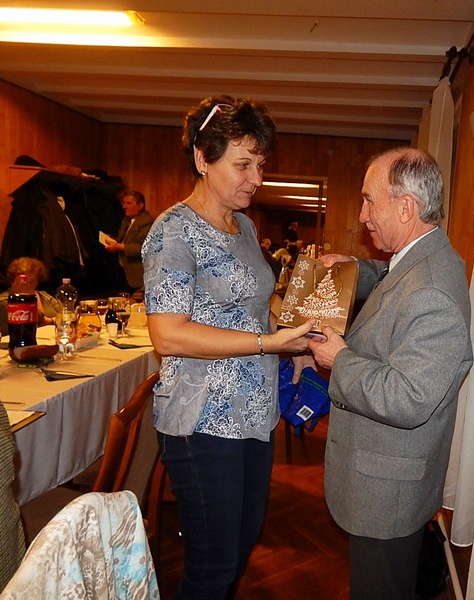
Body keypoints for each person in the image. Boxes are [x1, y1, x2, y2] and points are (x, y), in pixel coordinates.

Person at [141, 95, 314, 600]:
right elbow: (167, 334)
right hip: (202, 420)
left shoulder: (245, 226)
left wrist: (294, 340)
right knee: (213, 565)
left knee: (241, 545)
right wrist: (266, 342)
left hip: (255, 413)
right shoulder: (173, 232)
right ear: (203, 158)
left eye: (260, 164)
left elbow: (257, 304)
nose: (256, 178)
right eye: (243, 164)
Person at [307, 147, 474, 600]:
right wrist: (352, 269)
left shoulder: (433, 292)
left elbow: (409, 397)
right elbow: (391, 277)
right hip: (386, 482)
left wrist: (340, 359)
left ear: (405, 207)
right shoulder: (422, 258)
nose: (362, 215)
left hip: (387, 495)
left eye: (369, 200)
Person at [0, 257, 62, 332]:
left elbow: (65, 315)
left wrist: (48, 320)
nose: (28, 285)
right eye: (24, 281)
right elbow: (35, 316)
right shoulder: (3, 301)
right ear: (13, 281)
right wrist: (52, 320)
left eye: (33, 281)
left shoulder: (44, 296)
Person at [104, 190, 154, 292]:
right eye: (124, 203)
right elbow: (124, 240)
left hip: (138, 275)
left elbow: (144, 248)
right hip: (123, 273)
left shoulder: (146, 221)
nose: (124, 206)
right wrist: (112, 240)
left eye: (129, 203)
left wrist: (119, 246)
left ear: (140, 205)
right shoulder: (126, 220)